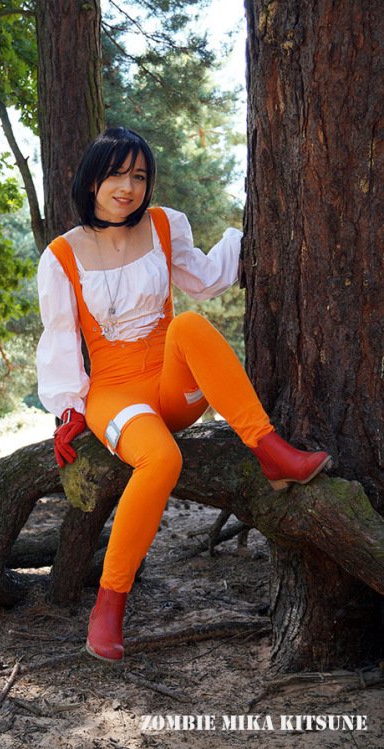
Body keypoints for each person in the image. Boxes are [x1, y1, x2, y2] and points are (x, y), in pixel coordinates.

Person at [36, 126, 331, 663]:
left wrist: (253, 229)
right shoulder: (61, 255)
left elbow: (207, 280)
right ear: (92, 179)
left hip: (174, 388)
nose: (129, 187)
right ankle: (109, 603)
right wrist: (68, 411)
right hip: (114, 393)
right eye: (117, 174)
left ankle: (270, 451)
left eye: (139, 176)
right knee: (161, 459)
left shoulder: (164, 225)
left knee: (189, 325)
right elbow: (58, 339)